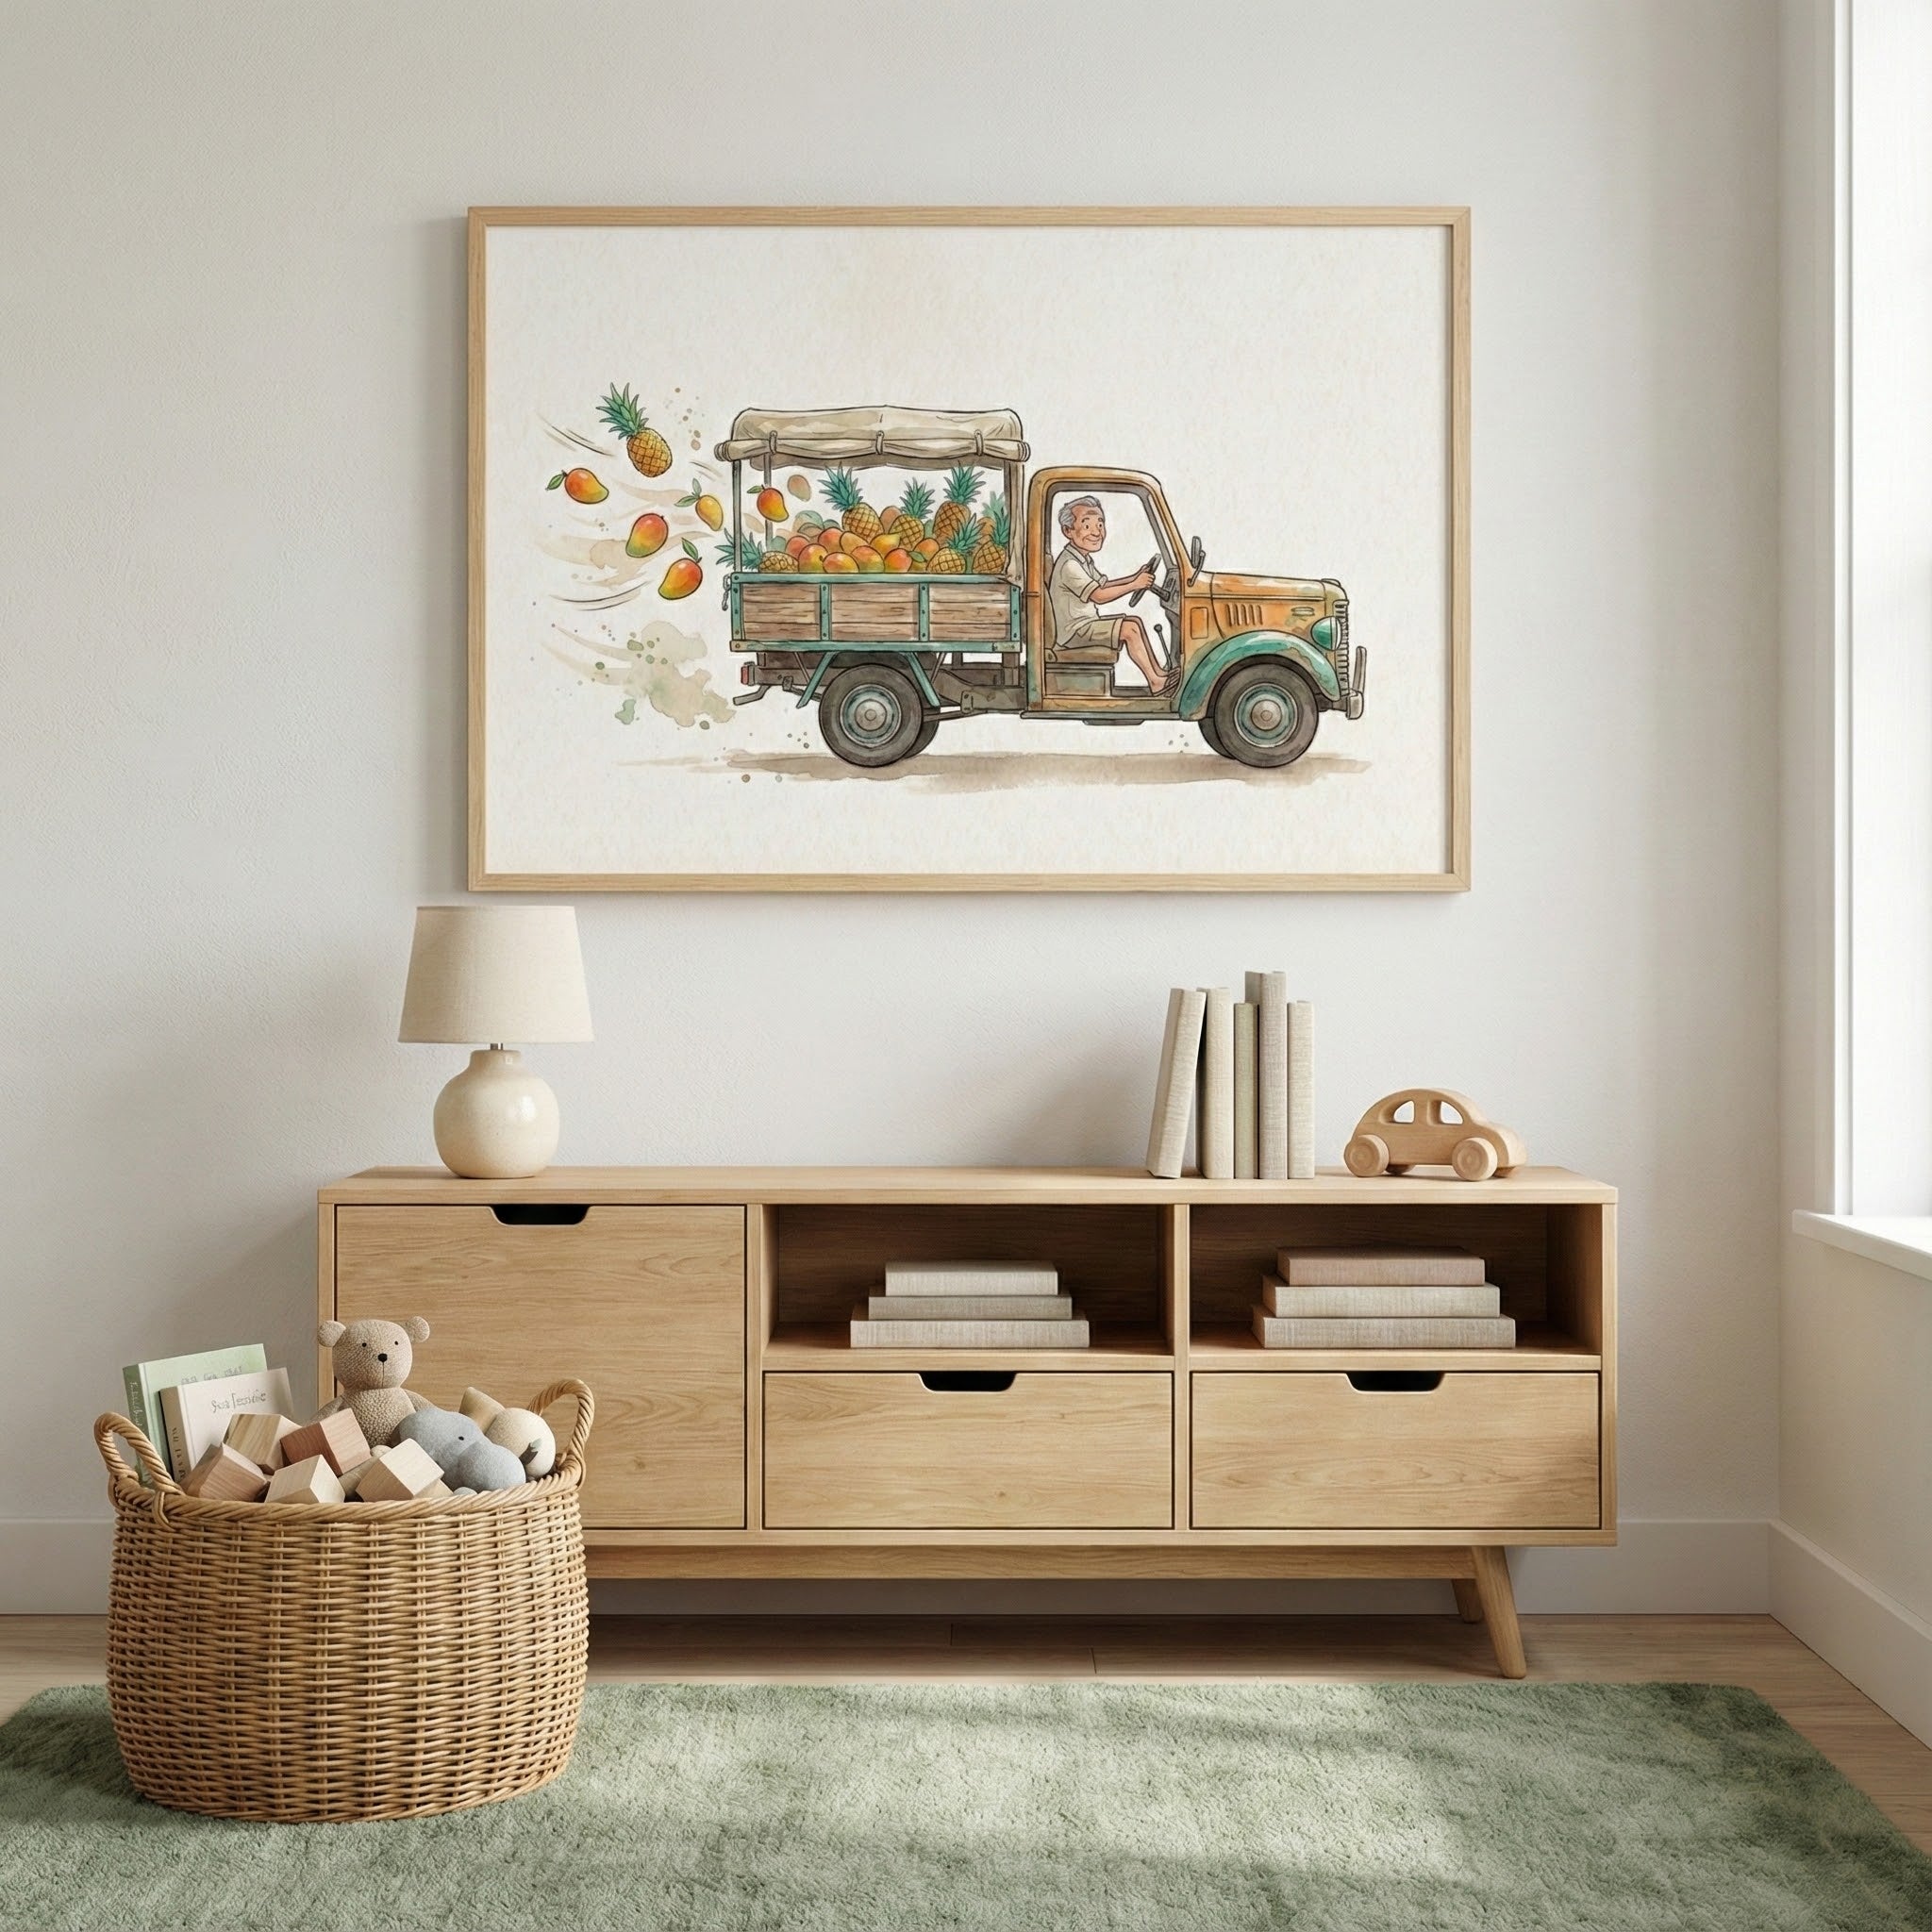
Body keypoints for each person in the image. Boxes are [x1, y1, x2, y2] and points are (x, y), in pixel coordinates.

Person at [1046, 496, 1176, 693]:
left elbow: (1104, 584)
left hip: (1083, 625)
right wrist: (1134, 584)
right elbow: (1098, 595)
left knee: (1135, 622)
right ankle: (1156, 682)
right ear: (1068, 531)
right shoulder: (1069, 565)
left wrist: (1135, 577)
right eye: (1087, 524)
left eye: (1100, 523)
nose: (1096, 531)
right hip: (1074, 632)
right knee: (1130, 629)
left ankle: (1159, 674)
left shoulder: (1081, 559)